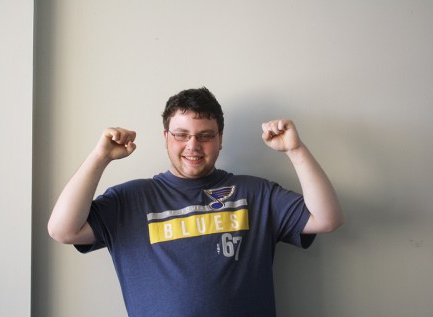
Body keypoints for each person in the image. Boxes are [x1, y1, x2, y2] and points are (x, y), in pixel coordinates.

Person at [48, 87, 343, 317]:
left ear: (220, 139)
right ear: (165, 137)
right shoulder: (131, 200)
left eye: (205, 136)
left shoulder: (254, 193)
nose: (193, 146)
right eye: (181, 135)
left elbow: (326, 218)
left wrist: (295, 149)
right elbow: (63, 230)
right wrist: (99, 158)